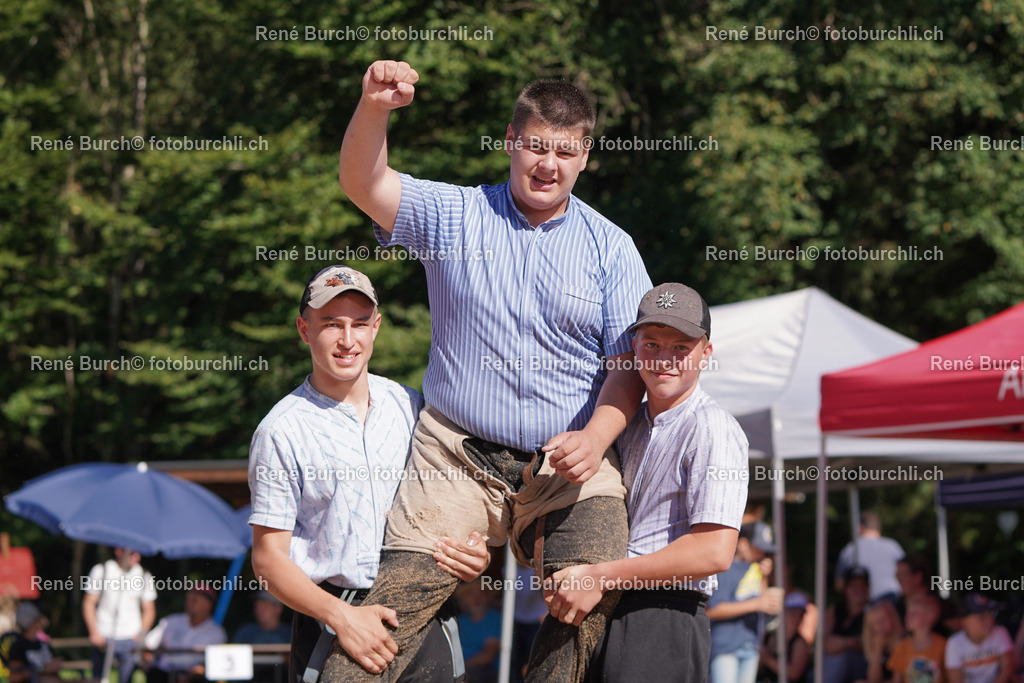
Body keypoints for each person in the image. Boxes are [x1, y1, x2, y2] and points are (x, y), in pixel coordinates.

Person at [329, 60, 651, 682]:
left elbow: (629, 367)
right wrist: (374, 105)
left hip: (567, 466)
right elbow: (362, 182)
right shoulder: (456, 215)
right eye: (534, 146)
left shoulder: (613, 247)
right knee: (383, 621)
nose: (547, 164)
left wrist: (596, 438)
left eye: (563, 151)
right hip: (455, 460)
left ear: (585, 156)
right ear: (510, 141)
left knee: (584, 595)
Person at [248, 265, 491, 683]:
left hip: (425, 610)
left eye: (360, 324)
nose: (348, 340)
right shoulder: (281, 429)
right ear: (304, 329)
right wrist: (342, 617)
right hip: (333, 621)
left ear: (376, 327)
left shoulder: (413, 407)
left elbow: (462, 497)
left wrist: (476, 552)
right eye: (331, 324)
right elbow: (268, 559)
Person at [544, 283, 749, 682]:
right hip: (608, 604)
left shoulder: (713, 427)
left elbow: (713, 552)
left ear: (705, 354)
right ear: (633, 347)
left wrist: (599, 575)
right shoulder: (628, 424)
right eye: (652, 344)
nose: (664, 359)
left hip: (665, 614)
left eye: (680, 347)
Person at [707, 521, 784, 683]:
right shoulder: (725, 568)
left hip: (751, 646)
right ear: (742, 544)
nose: (762, 554)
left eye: (765, 551)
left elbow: (762, 601)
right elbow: (713, 610)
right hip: (726, 647)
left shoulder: (756, 568)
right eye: (758, 549)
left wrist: (764, 578)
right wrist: (757, 604)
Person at [83, 546, 157, 683]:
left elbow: (149, 608)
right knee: (99, 679)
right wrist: (94, 631)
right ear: (119, 551)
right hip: (104, 635)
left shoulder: (143, 574)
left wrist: (140, 634)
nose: (137, 557)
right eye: (133, 553)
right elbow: (89, 602)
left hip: (130, 638)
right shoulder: (101, 570)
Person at [145, 586, 226, 683]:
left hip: (195, 678)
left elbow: (214, 664)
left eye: (194, 600)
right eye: (188, 599)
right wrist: (149, 662)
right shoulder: (170, 622)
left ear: (208, 604)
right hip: (164, 674)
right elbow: (148, 645)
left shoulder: (216, 633)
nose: (189, 603)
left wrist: (193, 674)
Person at [835, 512, 904, 602]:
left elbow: (839, 584)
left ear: (860, 528)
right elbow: (907, 575)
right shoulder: (893, 547)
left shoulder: (850, 549)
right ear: (878, 528)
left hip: (864, 604)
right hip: (893, 601)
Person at [944, 593, 1013, 683]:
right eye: (982, 617)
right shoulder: (954, 643)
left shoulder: (1000, 632)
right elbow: (955, 680)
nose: (990, 620)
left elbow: (1008, 667)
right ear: (965, 622)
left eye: (990, 614)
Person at [823, 566, 872, 683]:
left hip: (862, 667)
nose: (859, 590)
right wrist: (850, 642)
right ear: (845, 589)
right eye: (854, 586)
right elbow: (824, 642)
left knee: (842, 659)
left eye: (863, 585)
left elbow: (869, 644)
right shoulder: (835, 610)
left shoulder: (872, 611)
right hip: (830, 663)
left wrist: (841, 644)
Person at [233, 591, 291, 683]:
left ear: (278, 609)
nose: (259, 611)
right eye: (257, 606)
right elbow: (234, 659)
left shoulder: (290, 633)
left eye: (264, 606)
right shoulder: (245, 631)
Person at [888, 594, 946, 683]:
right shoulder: (901, 647)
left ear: (930, 616)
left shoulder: (943, 645)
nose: (908, 617)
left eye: (914, 613)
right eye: (908, 613)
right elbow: (896, 680)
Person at [454, 581, 502, 683]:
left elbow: (488, 655)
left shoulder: (495, 619)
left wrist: (461, 668)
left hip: (482, 671)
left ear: (488, 597)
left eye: (481, 594)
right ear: (465, 598)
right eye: (471, 594)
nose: (476, 599)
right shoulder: (461, 620)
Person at [758, 592, 812, 683]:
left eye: (800, 615)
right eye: (793, 614)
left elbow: (794, 674)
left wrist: (767, 660)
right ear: (783, 613)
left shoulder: (800, 643)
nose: (797, 619)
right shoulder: (767, 636)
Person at [5, 603, 63, 683]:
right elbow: (14, 677)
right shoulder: (18, 647)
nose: (42, 620)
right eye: (38, 618)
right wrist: (43, 669)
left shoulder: (43, 643)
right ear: (33, 622)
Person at [860, 598, 904, 683]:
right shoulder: (876, 643)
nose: (879, 626)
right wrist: (878, 649)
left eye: (882, 620)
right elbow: (873, 679)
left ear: (893, 618)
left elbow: (898, 681)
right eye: (873, 623)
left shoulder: (903, 642)